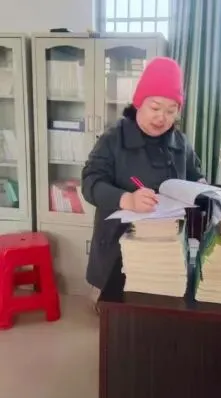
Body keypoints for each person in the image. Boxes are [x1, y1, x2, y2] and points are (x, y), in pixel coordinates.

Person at [81, 57, 206, 303]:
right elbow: (90, 183)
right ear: (139, 102)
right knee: (115, 312)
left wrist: (201, 185)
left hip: (165, 245)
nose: (162, 118)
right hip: (118, 247)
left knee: (157, 309)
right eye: (155, 108)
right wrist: (126, 199)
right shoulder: (113, 139)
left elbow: (194, 174)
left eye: (171, 111)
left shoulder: (180, 143)